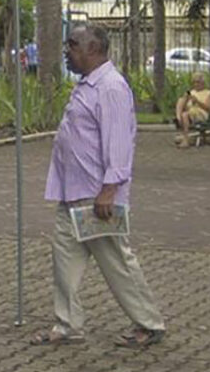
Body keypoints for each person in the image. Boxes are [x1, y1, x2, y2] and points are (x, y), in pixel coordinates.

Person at [30, 23, 165, 348]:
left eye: (73, 45)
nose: (67, 51)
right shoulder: (87, 85)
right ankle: (67, 325)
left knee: (116, 262)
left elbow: (119, 142)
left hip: (96, 196)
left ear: (93, 49)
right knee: (64, 262)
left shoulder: (111, 87)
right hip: (71, 193)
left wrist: (109, 190)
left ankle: (149, 323)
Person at [174, 71, 210, 148]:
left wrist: (197, 102)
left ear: (203, 83)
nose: (196, 84)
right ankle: (178, 118)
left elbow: (209, 108)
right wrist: (186, 99)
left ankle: (185, 140)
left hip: (201, 114)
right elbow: (186, 107)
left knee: (185, 115)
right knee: (181, 100)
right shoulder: (192, 92)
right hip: (191, 113)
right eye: (194, 82)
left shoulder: (208, 93)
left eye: (198, 82)